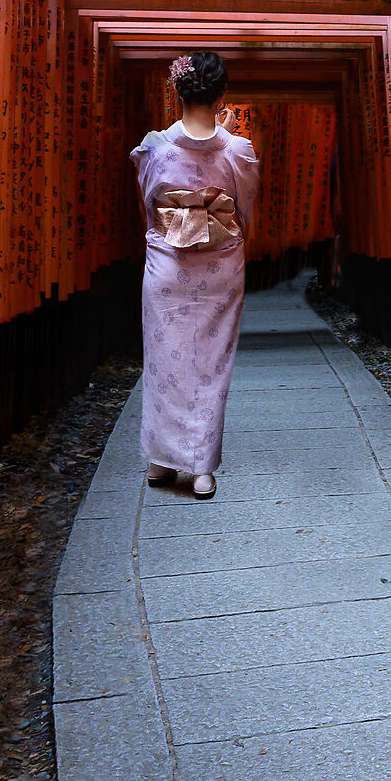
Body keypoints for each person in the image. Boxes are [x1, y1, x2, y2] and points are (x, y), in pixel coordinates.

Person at [131, 50, 259, 499]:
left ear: (177, 91)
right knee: (210, 364)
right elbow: (244, 211)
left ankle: (160, 462)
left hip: (166, 265)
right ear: (222, 94)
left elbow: (149, 209)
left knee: (164, 359)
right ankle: (201, 468)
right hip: (221, 265)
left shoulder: (153, 148)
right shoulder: (237, 152)